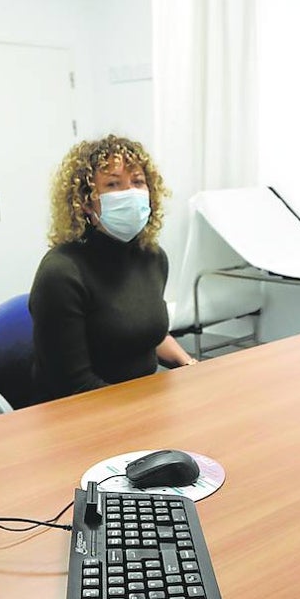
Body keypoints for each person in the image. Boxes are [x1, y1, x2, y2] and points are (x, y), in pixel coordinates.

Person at [29, 134, 196, 402]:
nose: (130, 193)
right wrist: (143, 410)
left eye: (138, 182)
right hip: (81, 412)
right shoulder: (61, 272)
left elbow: (147, 331)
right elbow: (73, 385)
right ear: (85, 201)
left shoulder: (152, 257)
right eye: (113, 184)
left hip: (140, 402)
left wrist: (190, 365)